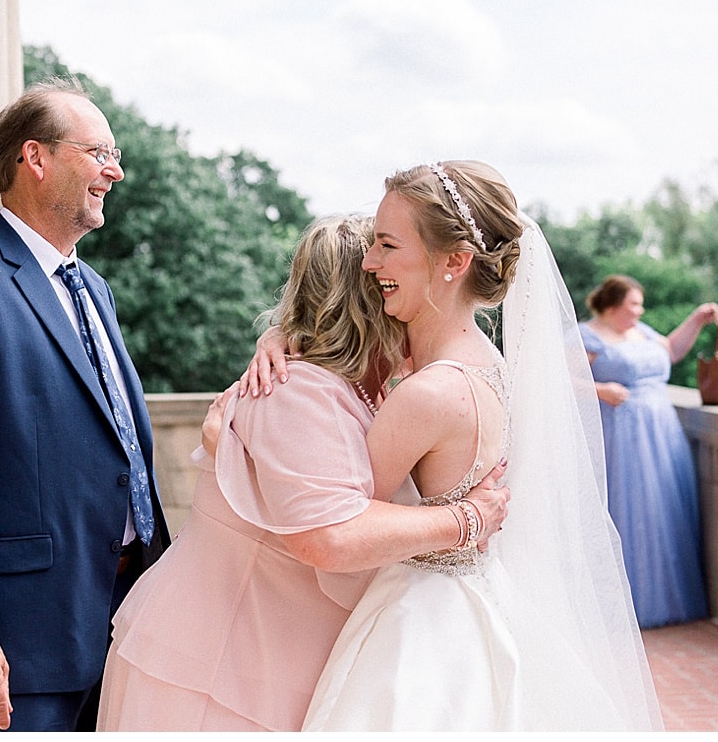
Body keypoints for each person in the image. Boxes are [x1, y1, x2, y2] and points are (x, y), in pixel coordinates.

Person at [281, 162, 660, 730]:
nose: (368, 262)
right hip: (472, 602)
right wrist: (277, 335)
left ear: (454, 262)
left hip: (421, 627)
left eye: (386, 245)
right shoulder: (485, 364)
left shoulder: (430, 393)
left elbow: (339, 535)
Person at [96, 215, 511, 731]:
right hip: (216, 671)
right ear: (368, 300)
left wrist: (280, 332)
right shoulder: (295, 393)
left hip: (268, 668)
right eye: (387, 280)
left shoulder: (359, 389)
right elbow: (331, 538)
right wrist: (467, 518)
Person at [0, 77, 171, 731]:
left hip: (119, 622)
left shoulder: (94, 288)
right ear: (35, 158)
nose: (115, 170)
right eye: (98, 152)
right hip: (13, 646)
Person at [578, 275, 717, 628]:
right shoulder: (588, 336)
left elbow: (670, 350)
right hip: (622, 436)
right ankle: (629, 606)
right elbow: (558, 377)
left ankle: (670, 596)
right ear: (612, 305)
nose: (639, 310)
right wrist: (601, 389)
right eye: (633, 304)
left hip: (662, 431)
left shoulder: (643, 331)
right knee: (632, 511)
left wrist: (698, 319)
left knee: (664, 509)